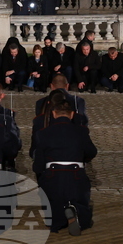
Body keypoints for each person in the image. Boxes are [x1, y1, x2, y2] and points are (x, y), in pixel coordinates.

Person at [32, 98, 97, 235]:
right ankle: (76, 211)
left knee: (52, 204)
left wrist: (40, 174)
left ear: (54, 113)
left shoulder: (43, 133)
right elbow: (91, 151)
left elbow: (39, 162)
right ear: (72, 114)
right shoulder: (81, 131)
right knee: (81, 200)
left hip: (53, 173)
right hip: (75, 172)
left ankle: (57, 219)